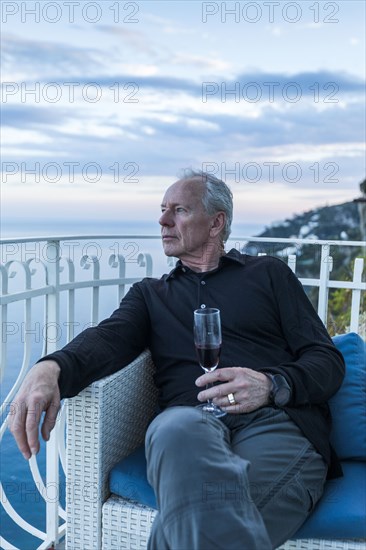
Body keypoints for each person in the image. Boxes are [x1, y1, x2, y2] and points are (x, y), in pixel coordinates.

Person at [9, 169, 345, 549]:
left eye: (179, 210)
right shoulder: (152, 296)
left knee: (212, 521)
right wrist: (50, 367)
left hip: (273, 424)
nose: (163, 220)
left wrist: (270, 385)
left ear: (216, 222)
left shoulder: (268, 275)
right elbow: (107, 339)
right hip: (188, 425)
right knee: (172, 429)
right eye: (162, 210)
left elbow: (327, 360)